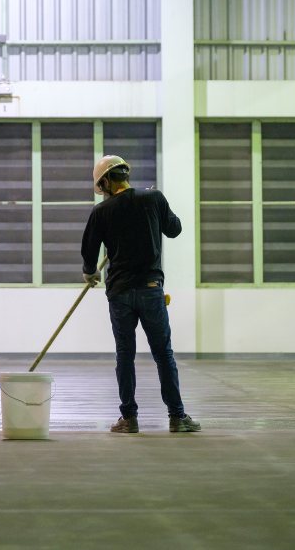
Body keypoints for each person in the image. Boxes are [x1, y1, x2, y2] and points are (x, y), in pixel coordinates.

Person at [80, 155, 200, 433]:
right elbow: (175, 229)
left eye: (102, 186)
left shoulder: (101, 212)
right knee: (163, 354)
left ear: (107, 181)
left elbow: (88, 253)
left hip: (120, 293)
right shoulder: (153, 198)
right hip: (150, 290)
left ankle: (129, 419)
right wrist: (156, 212)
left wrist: (91, 272)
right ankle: (177, 417)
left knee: (125, 355)